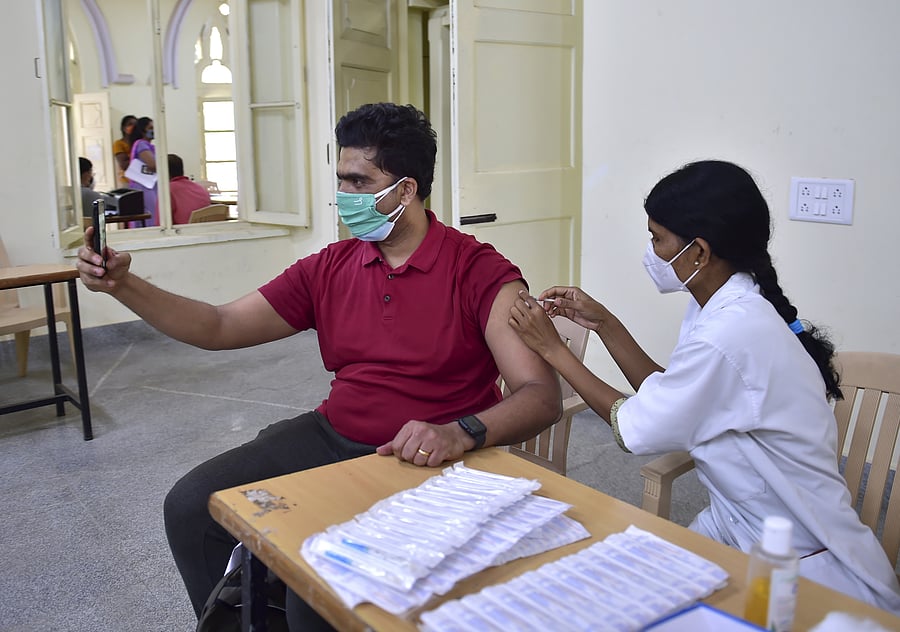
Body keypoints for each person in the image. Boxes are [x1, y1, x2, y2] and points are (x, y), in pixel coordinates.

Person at [76, 102, 561, 629]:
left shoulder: (479, 272)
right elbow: (217, 326)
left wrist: (461, 432)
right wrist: (123, 284)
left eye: (359, 182)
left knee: (319, 593)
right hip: (336, 438)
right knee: (193, 506)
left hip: (433, 462)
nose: (344, 197)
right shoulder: (330, 268)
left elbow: (539, 394)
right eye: (341, 181)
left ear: (405, 191)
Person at [508, 159, 900, 613]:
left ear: (698, 252)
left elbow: (631, 427)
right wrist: (604, 324)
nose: (651, 251)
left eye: (658, 238)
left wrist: (554, 351)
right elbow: (672, 393)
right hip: (737, 523)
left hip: (798, 560)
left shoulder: (731, 332)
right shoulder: (720, 304)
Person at [126, 116, 158, 227]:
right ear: (142, 129)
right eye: (150, 127)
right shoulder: (141, 144)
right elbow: (152, 165)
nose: (153, 130)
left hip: (150, 185)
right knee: (150, 216)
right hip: (144, 186)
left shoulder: (150, 146)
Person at [167, 154, 212, 224]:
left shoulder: (168, 190)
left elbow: (161, 225)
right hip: (204, 231)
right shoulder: (199, 188)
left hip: (183, 232)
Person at [112, 114, 137, 188]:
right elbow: (124, 165)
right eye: (130, 124)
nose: (133, 127)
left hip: (142, 180)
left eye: (135, 125)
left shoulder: (139, 143)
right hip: (127, 181)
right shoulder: (119, 144)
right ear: (123, 128)